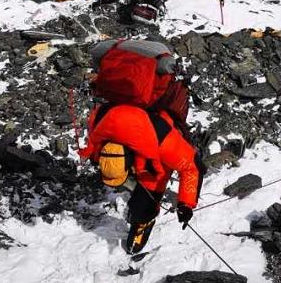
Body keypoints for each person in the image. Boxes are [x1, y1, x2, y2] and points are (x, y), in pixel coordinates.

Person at [79, 103, 204, 254]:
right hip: (131, 122)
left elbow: (193, 166)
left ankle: (145, 219)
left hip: (158, 137)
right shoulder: (99, 131)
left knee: (146, 198)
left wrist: (186, 204)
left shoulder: (163, 143)